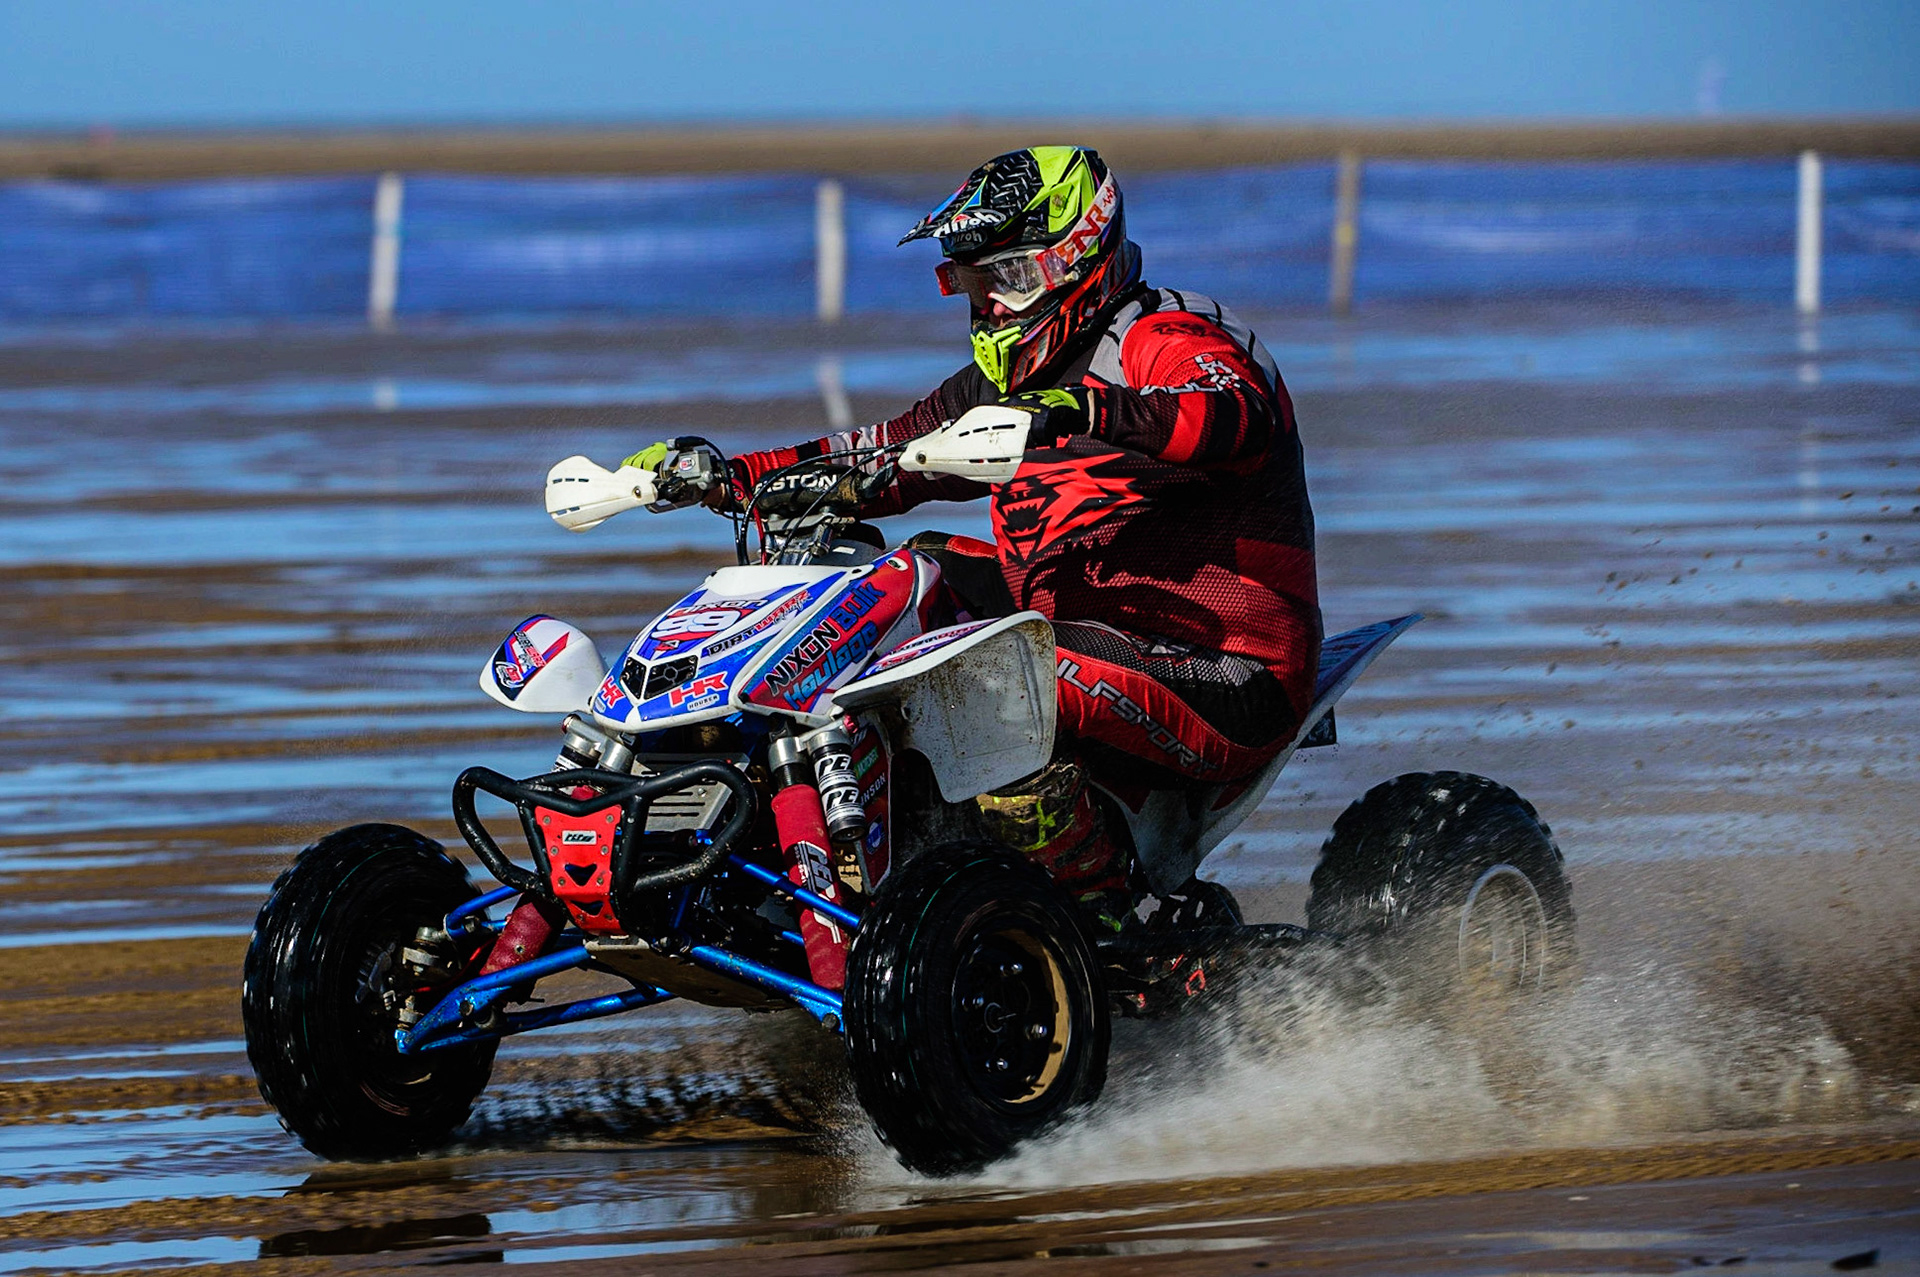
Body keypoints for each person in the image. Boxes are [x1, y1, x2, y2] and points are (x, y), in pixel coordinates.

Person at [625, 146, 1319, 929]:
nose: (989, 305)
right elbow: (878, 452)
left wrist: (1080, 412)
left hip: (1230, 667)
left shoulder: (1169, 335)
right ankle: (820, 827)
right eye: (971, 281)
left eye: (1009, 277)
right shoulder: (995, 387)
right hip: (1071, 634)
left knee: (1002, 680)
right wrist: (726, 473)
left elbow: (1233, 412)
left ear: (1074, 256)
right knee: (894, 583)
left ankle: (1116, 929)